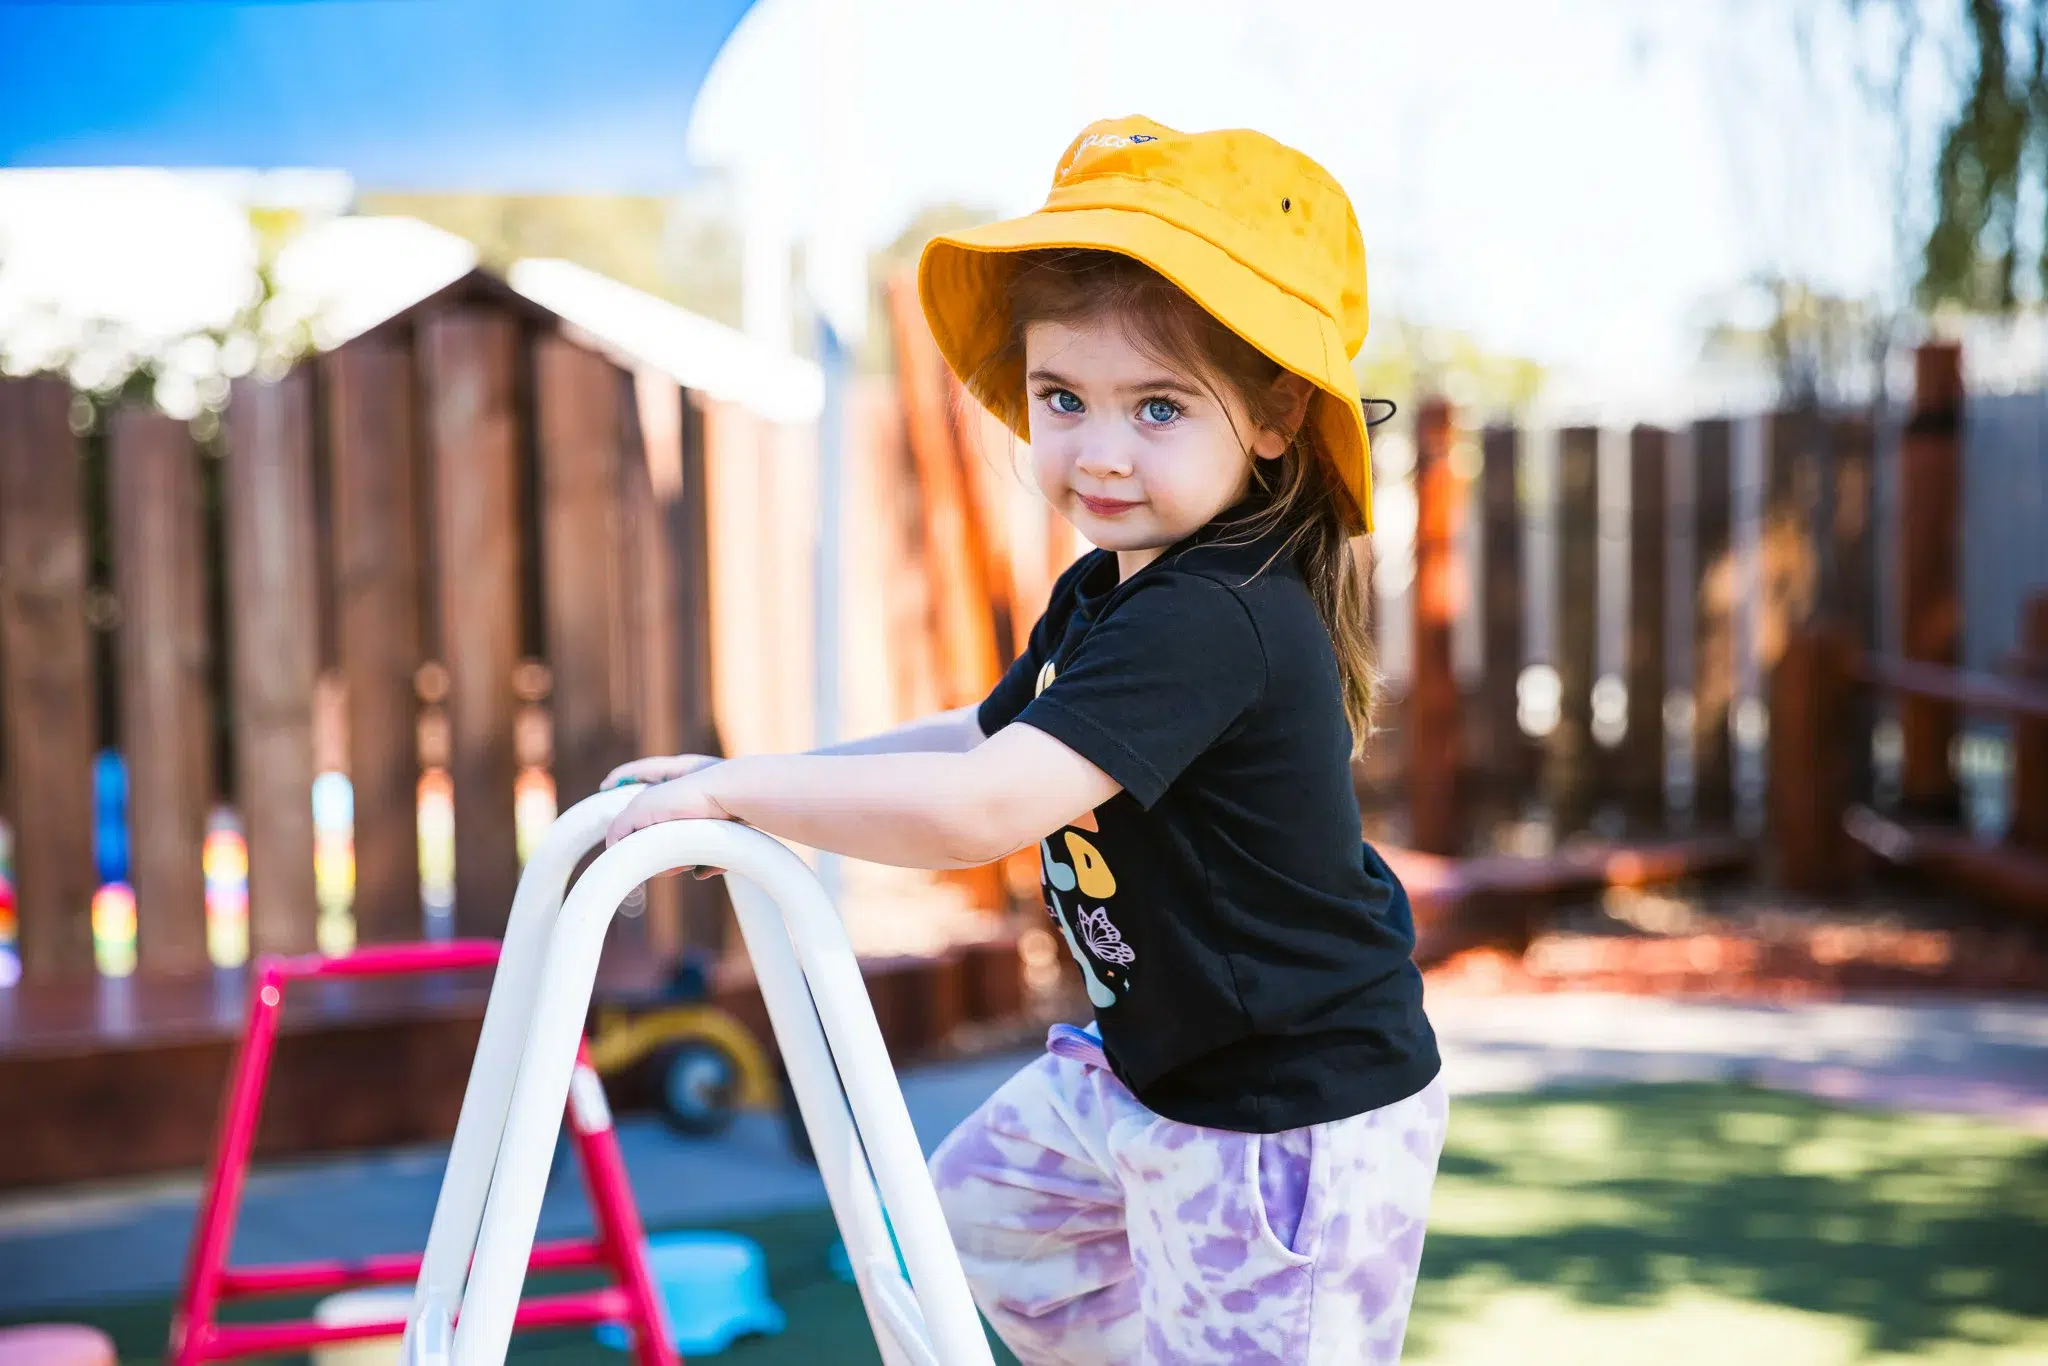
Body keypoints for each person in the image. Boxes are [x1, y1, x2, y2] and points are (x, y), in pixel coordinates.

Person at [604, 115, 1446, 1365]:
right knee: (981, 1215)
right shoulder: (1118, 582)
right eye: (1063, 399)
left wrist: (743, 797)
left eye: (1156, 406)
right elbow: (979, 741)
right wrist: (739, 783)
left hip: (1285, 1118)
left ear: (1273, 417)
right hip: (1150, 1072)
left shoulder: (1216, 615)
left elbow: (983, 808)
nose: (1097, 452)